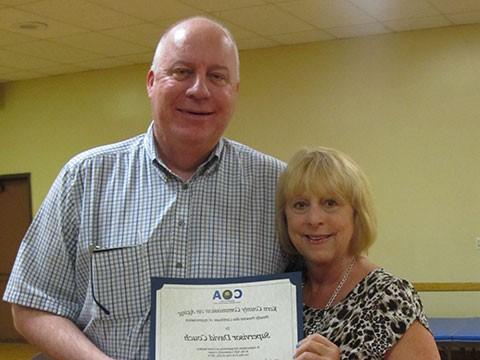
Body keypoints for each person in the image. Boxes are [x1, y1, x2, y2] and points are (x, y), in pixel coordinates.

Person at [3, 17, 288, 360]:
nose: (200, 90)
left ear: (235, 90)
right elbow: (31, 305)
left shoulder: (278, 187)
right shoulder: (85, 178)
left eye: (217, 76)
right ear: (152, 82)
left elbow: (325, 286)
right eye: (182, 72)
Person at [276, 147, 440, 359]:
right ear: (285, 217)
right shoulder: (281, 292)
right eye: (300, 205)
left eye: (330, 203)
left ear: (356, 214)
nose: (314, 218)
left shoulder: (388, 298)